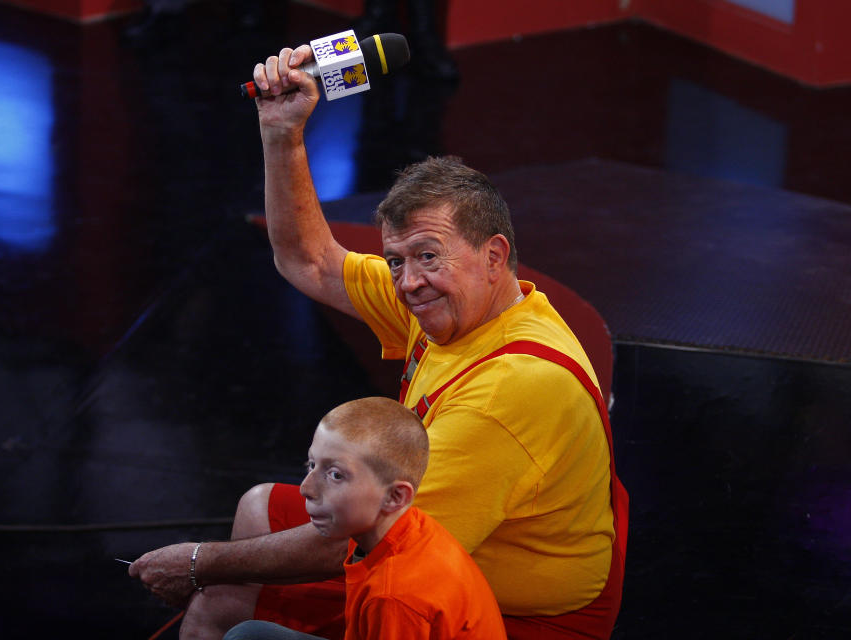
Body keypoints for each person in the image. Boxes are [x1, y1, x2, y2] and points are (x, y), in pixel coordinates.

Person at [129, 42, 627, 640]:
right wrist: (282, 133)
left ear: (494, 256)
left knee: (221, 607)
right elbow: (310, 261)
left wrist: (196, 563)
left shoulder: (510, 392)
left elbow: (392, 537)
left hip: (517, 616)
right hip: (470, 553)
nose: (409, 282)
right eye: (396, 261)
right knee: (258, 508)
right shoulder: (455, 303)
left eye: (427, 257)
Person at [222, 397, 507, 640]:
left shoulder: (394, 597)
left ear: (395, 497)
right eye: (311, 464)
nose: (306, 488)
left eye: (336, 475)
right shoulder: (397, 527)